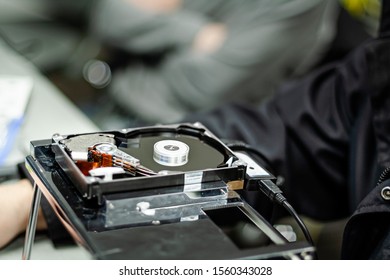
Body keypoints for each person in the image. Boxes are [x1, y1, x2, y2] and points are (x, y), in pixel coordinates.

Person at [1, 0, 389, 260]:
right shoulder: (371, 78)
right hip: (114, 120)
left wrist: (162, 21)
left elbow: (201, 86)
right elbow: (251, 141)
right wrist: (38, 193)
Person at [85, 0, 339, 124]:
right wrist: (195, 33)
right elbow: (110, 15)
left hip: (172, 135)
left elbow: (205, 89)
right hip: (103, 101)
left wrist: (151, 34)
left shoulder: (300, 5)